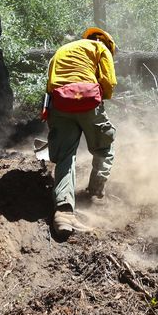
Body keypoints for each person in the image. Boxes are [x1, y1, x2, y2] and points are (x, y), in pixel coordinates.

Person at [45, 27, 118, 237]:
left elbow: (50, 84)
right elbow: (109, 82)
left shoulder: (62, 50)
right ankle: (95, 194)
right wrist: (102, 96)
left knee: (66, 156)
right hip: (87, 102)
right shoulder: (100, 48)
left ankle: (64, 212)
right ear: (106, 43)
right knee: (104, 147)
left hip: (59, 104)